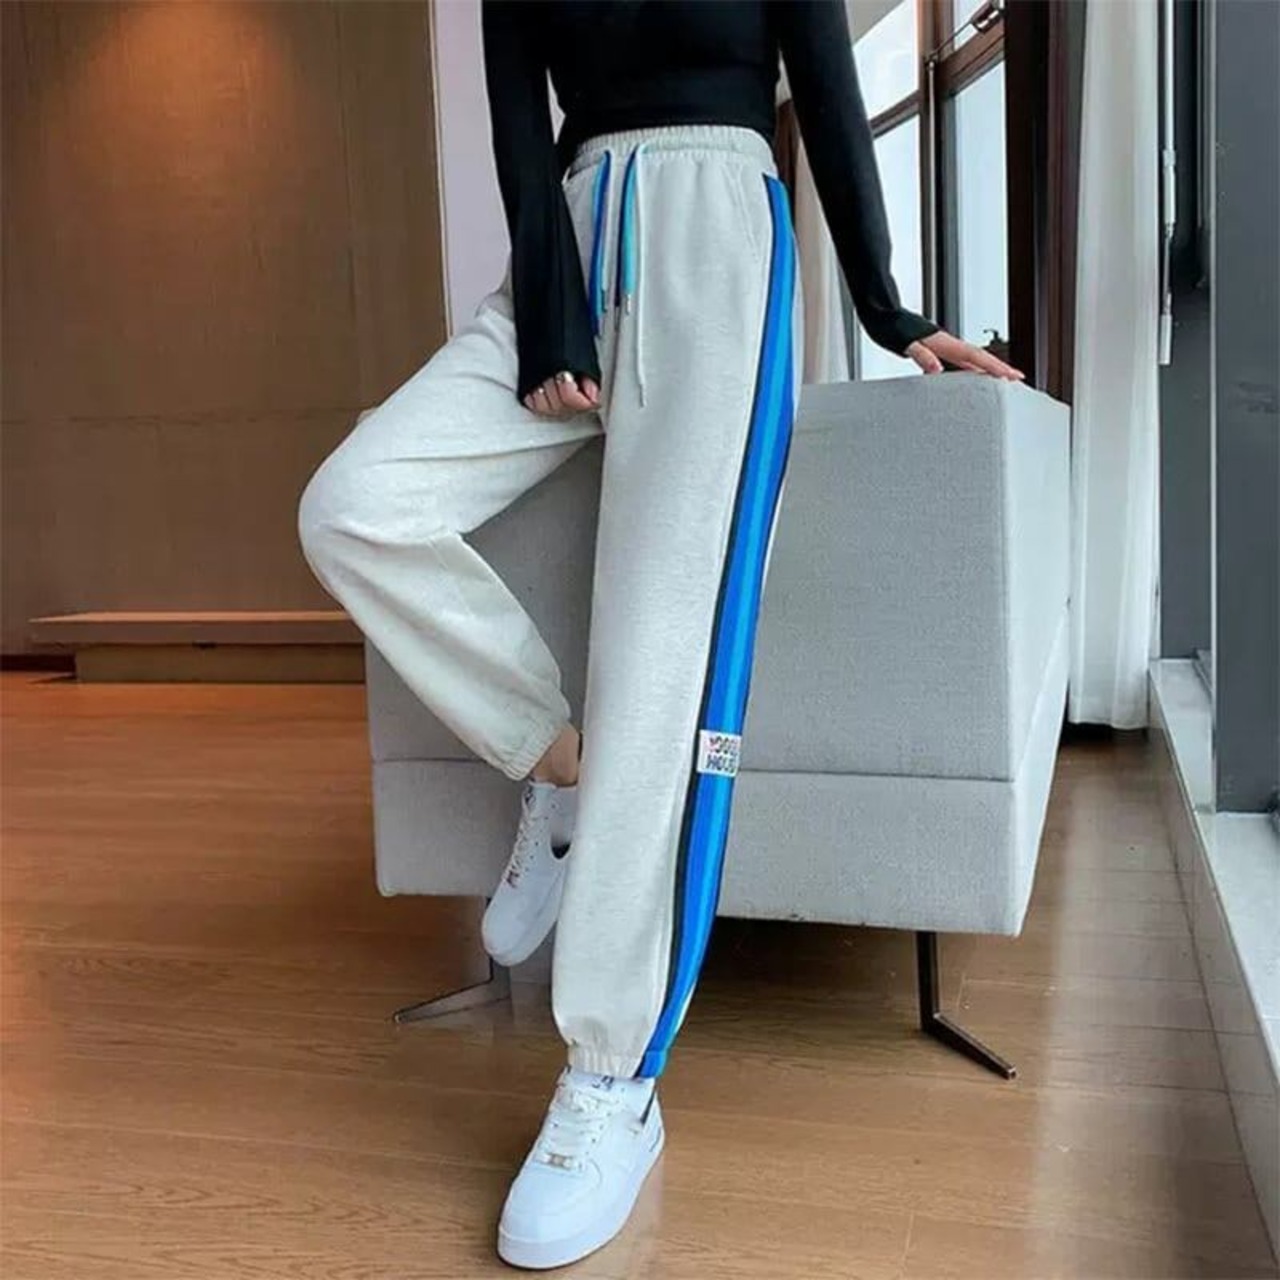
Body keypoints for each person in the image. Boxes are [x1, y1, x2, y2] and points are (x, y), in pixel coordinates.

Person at [299, 0, 1022, 1269]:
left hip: (716, 242)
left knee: (654, 672)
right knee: (353, 505)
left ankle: (610, 1077)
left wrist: (886, 305)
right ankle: (552, 762)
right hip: (574, 236)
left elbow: (825, 91)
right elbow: (517, 129)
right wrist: (548, 311)